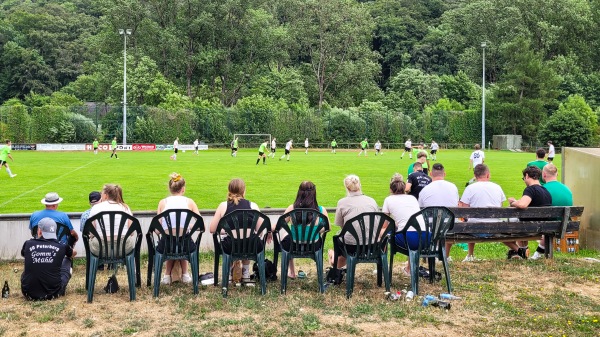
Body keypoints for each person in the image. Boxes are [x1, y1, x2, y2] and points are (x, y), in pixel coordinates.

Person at [209, 178, 271, 283]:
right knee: (248, 239)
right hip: (252, 246)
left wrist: (227, 231)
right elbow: (260, 231)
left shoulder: (223, 206)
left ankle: (228, 273)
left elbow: (212, 229)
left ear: (229, 190)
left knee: (231, 240)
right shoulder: (253, 206)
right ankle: (246, 273)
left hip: (231, 247)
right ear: (244, 191)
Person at [156, 173, 200, 284]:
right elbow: (200, 224)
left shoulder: (163, 203)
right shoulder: (189, 202)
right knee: (182, 238)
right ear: (183, 189)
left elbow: (157, 229)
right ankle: (185, 274)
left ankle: (167, 276)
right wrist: (188, 227)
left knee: (171, 238)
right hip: (186, 245)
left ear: (170, 189)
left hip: (166, 245)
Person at [329, 175, 379, 270]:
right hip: (373, 245)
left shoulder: (342, 202)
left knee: (339, 238)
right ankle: (338, 260)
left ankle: (335, 259)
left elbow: (341, 226)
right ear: (359, 185)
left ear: (347, 187)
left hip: (351, 246)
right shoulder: (371, 201)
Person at [281, 181, 330, 278]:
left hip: (293, 246)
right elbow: (328, 228)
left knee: (286, 237)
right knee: (287, 237)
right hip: (314, 246)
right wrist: (316, 230)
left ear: (299, 192)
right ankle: (293, 272)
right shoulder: (321, 210)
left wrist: (270, 230)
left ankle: (292, 272)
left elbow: (281, 223)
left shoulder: (292, 208)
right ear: (314, 193)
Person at [458, 164, 506, 262]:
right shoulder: (497, 187)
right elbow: (500, 205)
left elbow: (464, 210)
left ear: (475, 176)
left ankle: (470, 255)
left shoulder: (470, 188)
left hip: (475, 230)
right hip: (495, 228)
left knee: (469, 221)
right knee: (472, 220)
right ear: (488, 175)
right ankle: (517, 250)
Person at [21, 217, 76, 300]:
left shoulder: (28, 243)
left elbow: (24, 254)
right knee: (68, 260)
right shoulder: (62, 246)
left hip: (28, 293)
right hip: (54, 293)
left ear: (39, 231)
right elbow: (73, 253)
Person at [506, 166, 552, 259]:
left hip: (529, 227)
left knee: (510, 220)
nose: (524, 181)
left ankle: (520, 251)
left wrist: (512, 203)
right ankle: (521, 251)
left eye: (523, 178)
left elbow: (523, 205)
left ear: (527, 176)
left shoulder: (530, 189)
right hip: (543, 227)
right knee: (518, 220)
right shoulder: (546, 191)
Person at [382, 173, 422, 276]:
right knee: (408, 229)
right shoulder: (412, 198)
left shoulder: (389, 199)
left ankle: (382, 266)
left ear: (391, 189)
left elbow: (384, 224)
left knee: (384, 232)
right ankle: (409, 268)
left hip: (408, 239)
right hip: (426, 237)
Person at [530, 164, 573, 260]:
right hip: (565, 224)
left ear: (543, 175)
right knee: (550, 224)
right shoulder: (567, 189)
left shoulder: (542, 189)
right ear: (557, 174)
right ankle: (537, 254)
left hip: (547, 224)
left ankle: (522, 251)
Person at [418, 163, 459, 261]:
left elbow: (420, 210)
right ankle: (445, 255)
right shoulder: (453, 187)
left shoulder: (424, 190)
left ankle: (430, 254)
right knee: (446, 222)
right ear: (444, 174)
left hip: (431, 227)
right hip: (450, 226)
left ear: (431, 174)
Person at [88, 184, 136, 256]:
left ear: (106, 195)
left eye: (102, 193)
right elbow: (132, 232)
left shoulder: (95, 208)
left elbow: (91, 232)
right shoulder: (125, 207)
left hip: (100, 249)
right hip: (124, 248)